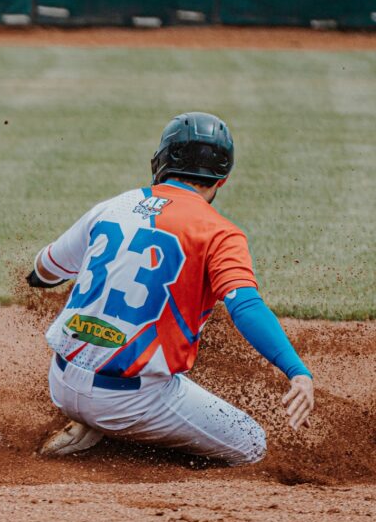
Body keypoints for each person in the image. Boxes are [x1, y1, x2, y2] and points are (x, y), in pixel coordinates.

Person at [28, 112, 314, 466]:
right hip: (128, 403)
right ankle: (113, 431)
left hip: (60, 382)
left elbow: (44, 270)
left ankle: (91, 422)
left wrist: (36, 278)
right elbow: (245, 306)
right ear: (222, 179)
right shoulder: (220, 233)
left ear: (159, 161)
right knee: (252, 443)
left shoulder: (113, 206)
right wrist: (297, 371)